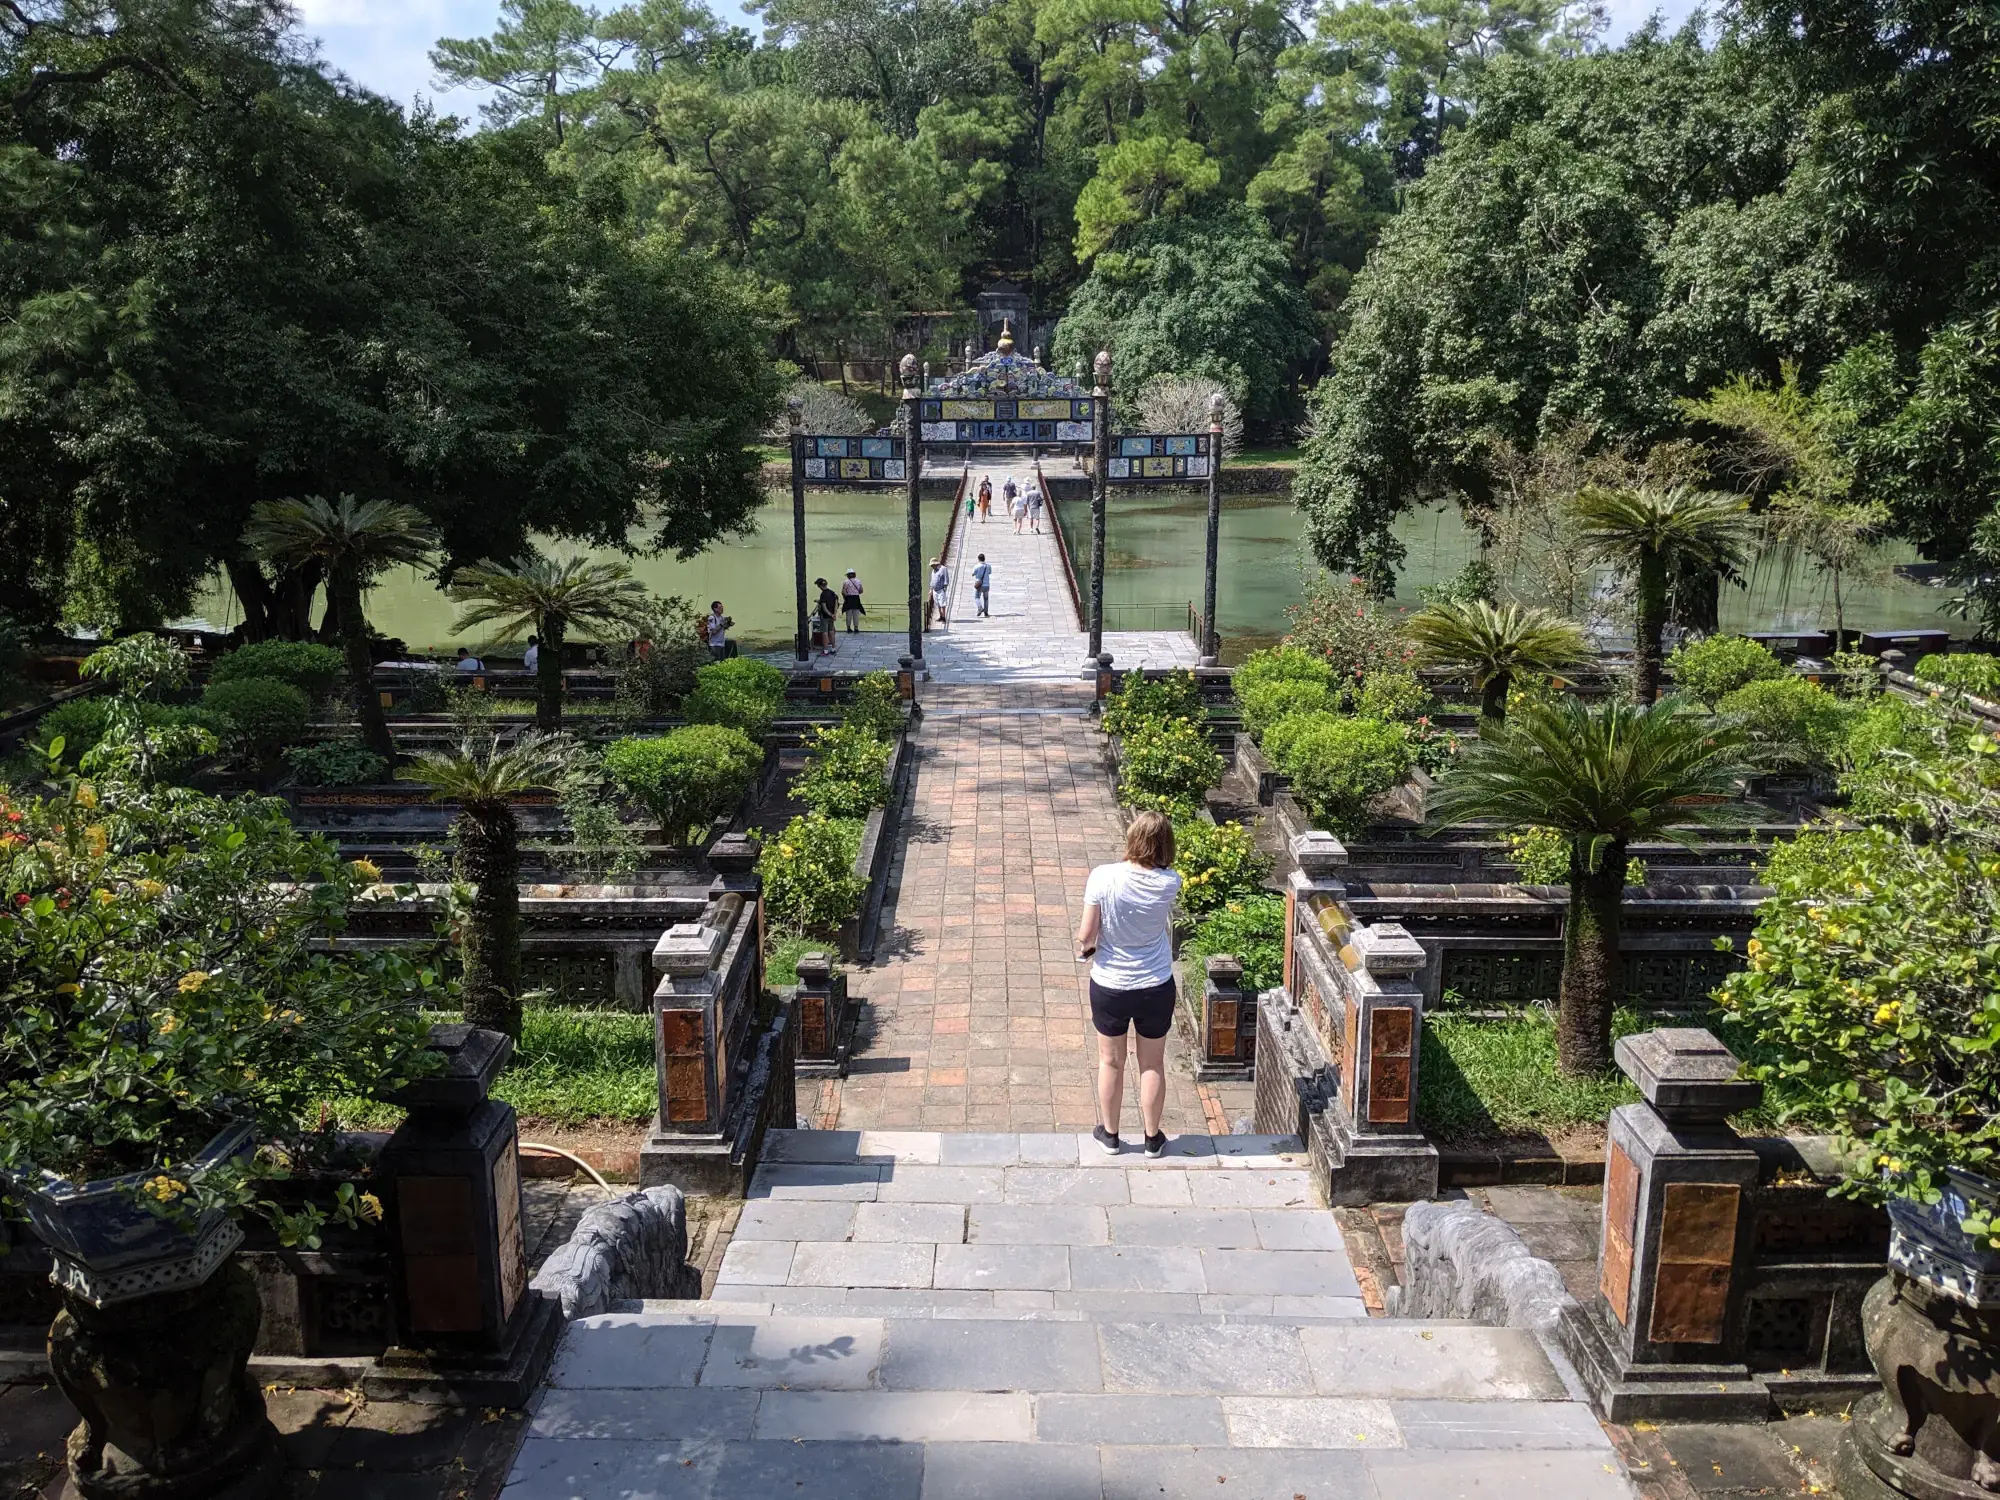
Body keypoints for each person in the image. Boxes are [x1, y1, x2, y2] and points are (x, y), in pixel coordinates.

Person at [1075, 811, 1181, 1156]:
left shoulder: (1103, 877)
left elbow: (1086, 934)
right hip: (1155, 983)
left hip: (1110, 984)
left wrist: (1088, 947)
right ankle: (1153, 1138)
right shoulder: (1169, 882)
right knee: (1151, 1063)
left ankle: (1110, 1134)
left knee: (1111, 1062)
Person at [814, 577, 840, 657]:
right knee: (831, 631)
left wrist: (829, 614)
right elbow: (836, 604)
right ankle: (833, 648)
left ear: (820, 586)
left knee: (824, 633)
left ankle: (825, 650)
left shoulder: (823, 594)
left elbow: (824, 607)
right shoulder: (833, 593)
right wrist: (834, 614)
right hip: (832, 615)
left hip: (825, 616)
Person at [928, 556, 951, 629]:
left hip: (941, 589)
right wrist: (931, 589)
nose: (932, 566)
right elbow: (932, 580)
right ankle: (940, 616)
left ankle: (944, 617)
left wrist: (944, 588)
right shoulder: (933, 571)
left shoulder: (943, 569)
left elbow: (946, 579)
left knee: (942, 604)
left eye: (933, 565)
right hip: (935, 590)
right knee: (937, 603)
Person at [971, 553, 992, 618]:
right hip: (986, 584)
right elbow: (990, 572)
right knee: (986, 599)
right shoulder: (988, 566)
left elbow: (973, 573)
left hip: (979, 585)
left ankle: (980, 608)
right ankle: (986, 612)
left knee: (977, 597)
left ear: (978, 559)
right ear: (984, 558)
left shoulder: (977, 566)